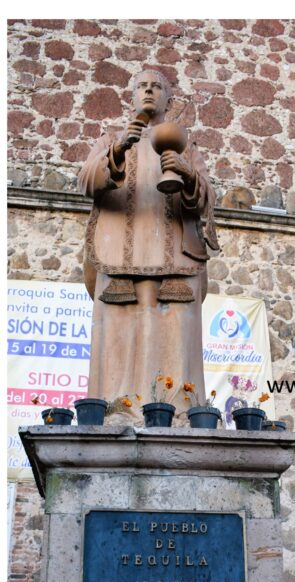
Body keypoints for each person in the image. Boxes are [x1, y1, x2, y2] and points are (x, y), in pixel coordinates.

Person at [79, 69, 218, 411]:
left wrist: (186, 173)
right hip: (120, 254)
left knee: (171, 329)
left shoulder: (186, 144)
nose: (149, 91)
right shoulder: (113, 138)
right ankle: (116, 407)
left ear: (168, 98)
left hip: (174, 258)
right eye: (143, 86)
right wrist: (118, 149)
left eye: (157, 87)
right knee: (118, 331)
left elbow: (206, 199)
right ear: (132, 95)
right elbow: (86, 181)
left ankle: (178, 410)